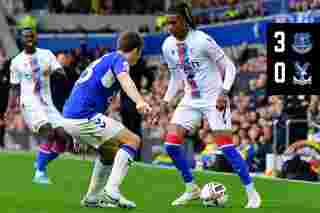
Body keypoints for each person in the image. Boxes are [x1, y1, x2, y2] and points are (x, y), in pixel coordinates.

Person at [159, 2, 261, 208]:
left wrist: (224, 92)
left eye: (174, 22)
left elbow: (229, 67)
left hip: (214, 98)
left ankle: (252, 194)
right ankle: (191, 188)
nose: (170, 27)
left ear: (185, 21)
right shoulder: (167, 45)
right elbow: (176, 78)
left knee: (226, 147)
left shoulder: (203, 40)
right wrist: (166, 101)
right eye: (167, 23)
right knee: (170, 145)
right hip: (190, 99)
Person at [62, 31, 151, 209]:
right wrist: (140, 101)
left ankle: (92, 198)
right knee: (133, 140)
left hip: (72, 115)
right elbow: (126, 81)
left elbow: (84, 89)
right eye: (139, 53)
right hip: (82, 115)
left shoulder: (105, 59)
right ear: (135, 50)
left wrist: (75, 133)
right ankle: (112, 191)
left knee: (109, 151)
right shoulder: (120, 60)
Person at [6, 27, 71, 184]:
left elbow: (62, 75)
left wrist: (52, 71)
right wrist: (10, 108)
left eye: (31, 36)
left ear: (36, 38)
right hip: (29, 102)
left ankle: (41, 162)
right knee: (48, 132)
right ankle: (39, 173)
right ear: (21, 40)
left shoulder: (47, 55)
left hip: (47, 103)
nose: (29, 39)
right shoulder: (16, 62)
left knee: (64, 138)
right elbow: (14, 87)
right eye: (25, 37)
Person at [120, 57, 154, 160]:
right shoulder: (139, 61)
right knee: (134, 129)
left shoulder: (123, 61)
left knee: (129, 129)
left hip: (128, 100)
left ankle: (129, 155)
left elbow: (150, 76)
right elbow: (150, 76)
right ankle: (135, 155)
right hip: (133, 100)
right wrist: (146, 88)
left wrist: (146, 88)